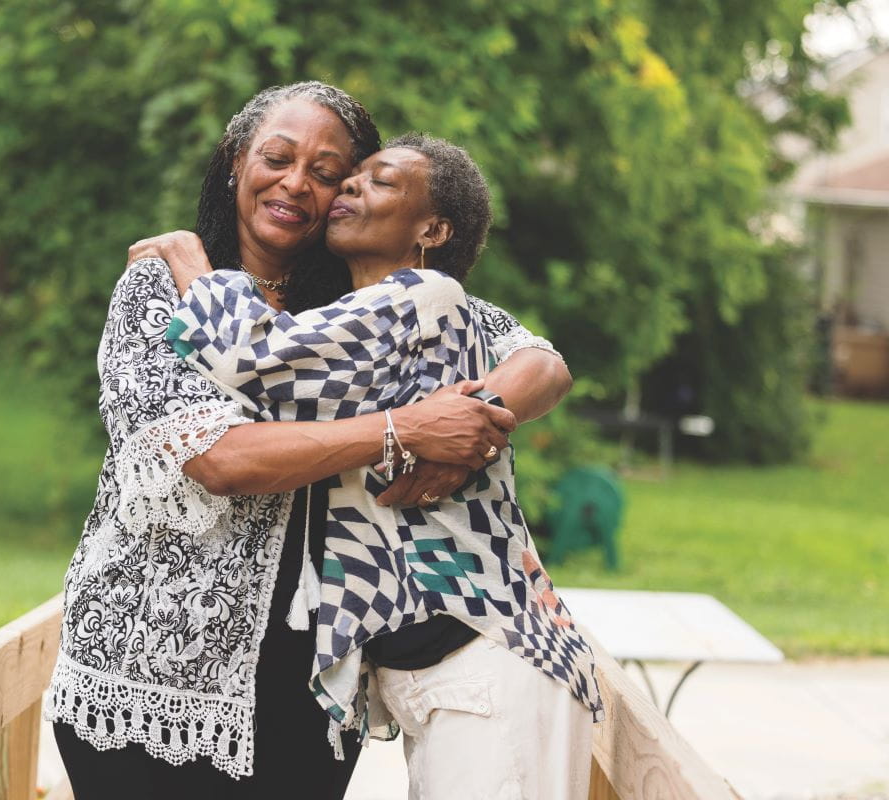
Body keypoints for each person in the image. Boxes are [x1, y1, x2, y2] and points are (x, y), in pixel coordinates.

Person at [45, 82, 571, 799]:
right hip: (148, 673)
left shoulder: (363, 297)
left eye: (327, 174)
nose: (296, 183)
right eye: (277, 157)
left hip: (312, 686)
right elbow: (220, 460)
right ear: (236, 162)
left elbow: (538, 360)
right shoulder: (160, 286)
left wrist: (471, 426)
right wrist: (405, 429)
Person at [167, 134, 602, 799]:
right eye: (353, 180)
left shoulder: (422, 297)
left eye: (382, 183)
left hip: (486, 660)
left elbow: (251, 357)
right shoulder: (378, 316)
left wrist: (190, 263)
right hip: (442, 672)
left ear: (433, 227)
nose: (349, 189)